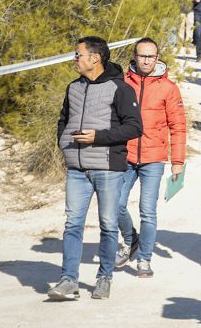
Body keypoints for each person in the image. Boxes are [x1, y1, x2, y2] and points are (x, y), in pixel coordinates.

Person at [49, 36, 143, 301]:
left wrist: (97, 137)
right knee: (72, 224)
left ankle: (104, 278)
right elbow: (63, 120)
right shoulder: (73, 87)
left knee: (108, 224)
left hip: (108, 167)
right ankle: (68, 280)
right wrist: (64, 144)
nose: (74, 59)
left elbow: (135, 127)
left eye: (78, 54)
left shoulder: (121, 88)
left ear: (95, 58)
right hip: (77, 169)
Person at [113, 38, 187, 278]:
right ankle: (130, 239)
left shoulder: (168, 88)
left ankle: (144, 259)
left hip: (154, 158)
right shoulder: (122, 84)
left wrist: (177, 161)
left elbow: (178, 127)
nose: (146, 60)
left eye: (151, 56)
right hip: (125, 155)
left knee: (148, 211)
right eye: (142, 56)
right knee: (115, 205)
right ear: (134, 57)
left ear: (157, 58)